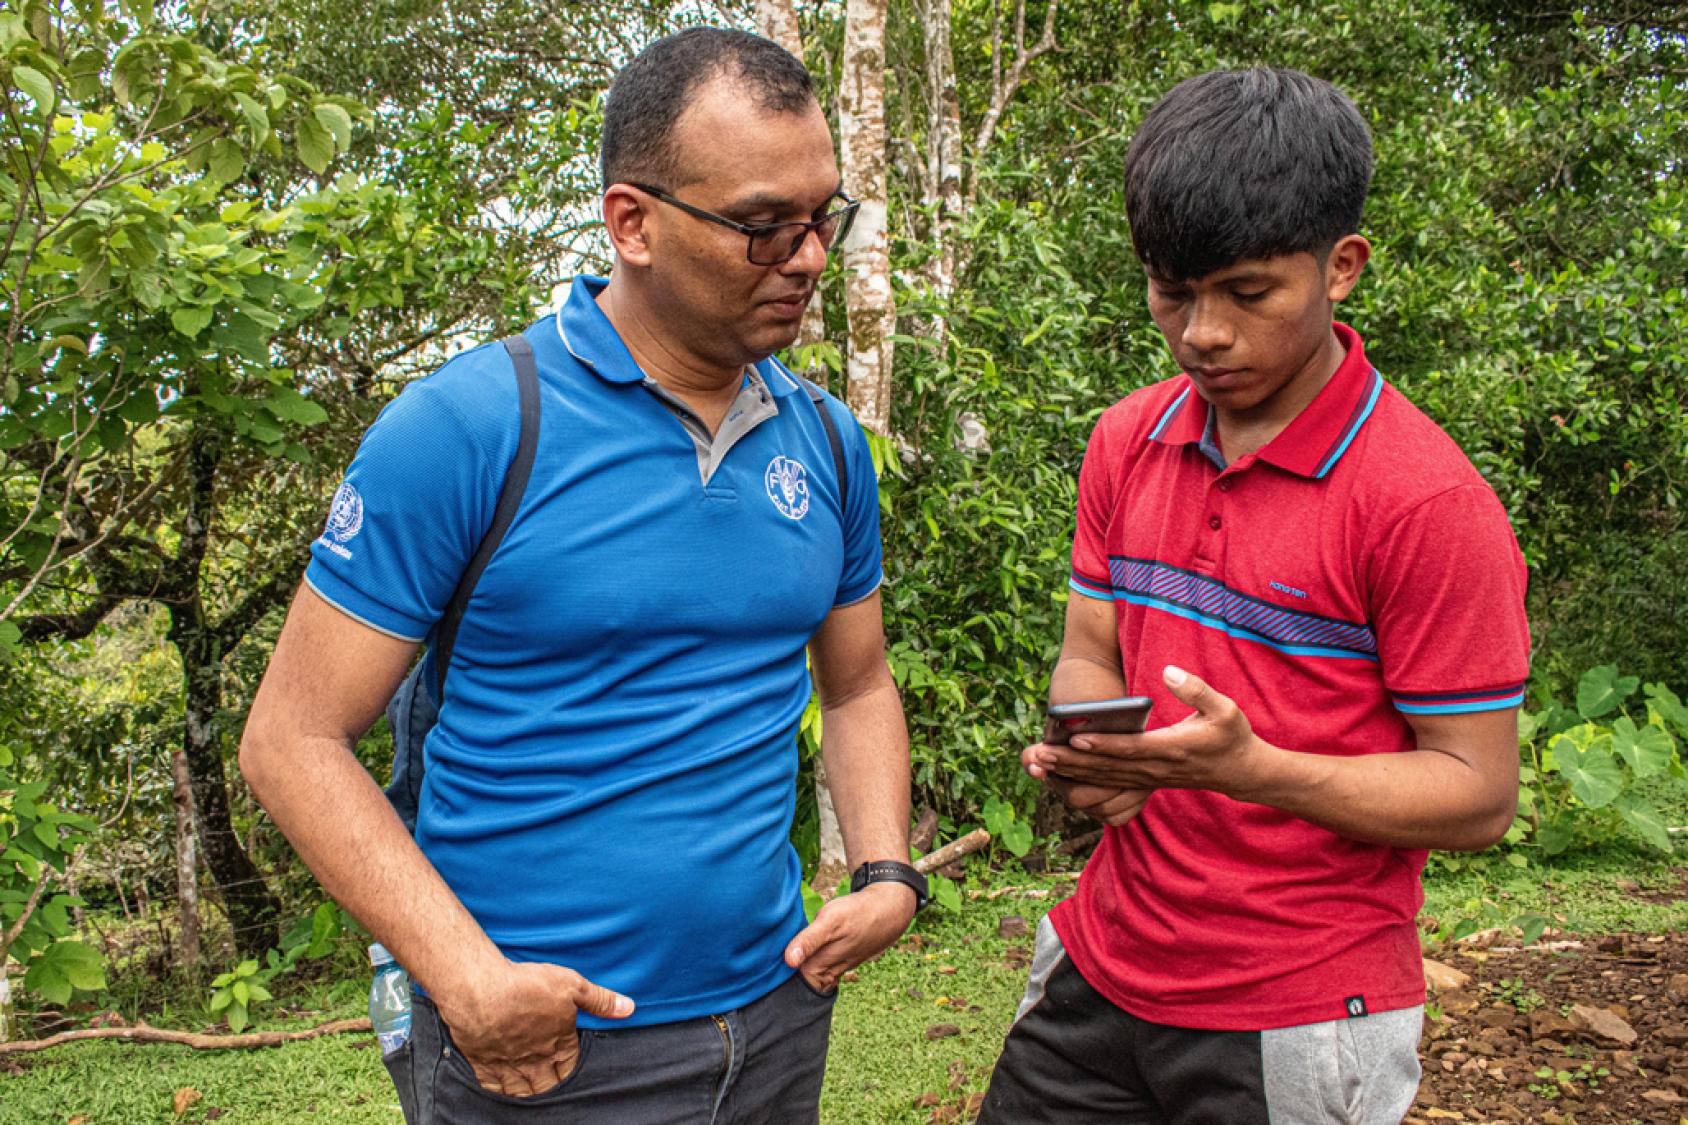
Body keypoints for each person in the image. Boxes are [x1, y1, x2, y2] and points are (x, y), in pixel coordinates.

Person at [240, 27, 924, 1124]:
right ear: (631, 223)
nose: (804, 258)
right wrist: (467, 981)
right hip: (541, 1044)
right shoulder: (471, 428)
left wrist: (887, 871)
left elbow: (856, 684)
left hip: (776, 1014)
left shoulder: (828, 445)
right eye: (762, 226)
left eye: (819, 218)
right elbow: (291, 739)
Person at [976, 67, 1530, 1124]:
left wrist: (1251, 771)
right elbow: (1091, 646)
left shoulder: (1424, 502)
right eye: (1171, 291)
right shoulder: (1126, 440)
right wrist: (1097, 750)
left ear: (1341, 267)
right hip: (1101, 961)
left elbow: (1476, 793)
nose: (1202, 333)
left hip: (1300, 1011)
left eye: (1246, 293)